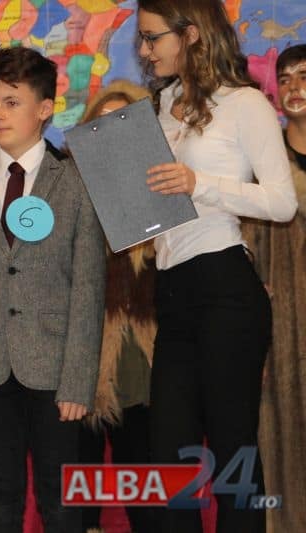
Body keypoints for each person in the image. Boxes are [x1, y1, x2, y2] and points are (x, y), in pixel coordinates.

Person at [136, 1, 298, 532]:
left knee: (232, 454)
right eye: (142, 39)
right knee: (170, 456)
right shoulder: (160, 108)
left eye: (152, 37)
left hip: (225, 285)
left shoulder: (244, 103)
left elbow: (282, 203)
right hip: (172, 292)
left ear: (190, 34)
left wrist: (198, 184)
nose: (144, 50)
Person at [0, 46, 106, 533]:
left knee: (60, 497)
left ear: (45, 108)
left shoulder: (74, 183)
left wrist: (78, 381)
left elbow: (88, 289)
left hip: (54, 369)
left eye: (12, 102)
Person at [74, 80, 155, 533]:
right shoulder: (68, 186)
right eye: (102, 122)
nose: (111, 131)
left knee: (143, 480)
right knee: (81, 485)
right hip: (82, 352)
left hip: (142, 355)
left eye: (124, 120)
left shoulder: (164, 186)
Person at [251, 43, 306, 533]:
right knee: (282, 449)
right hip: (282, 335)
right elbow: (247, 248)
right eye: (284, 78)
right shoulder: (265, 169)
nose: (294, 87)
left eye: (304, 76)